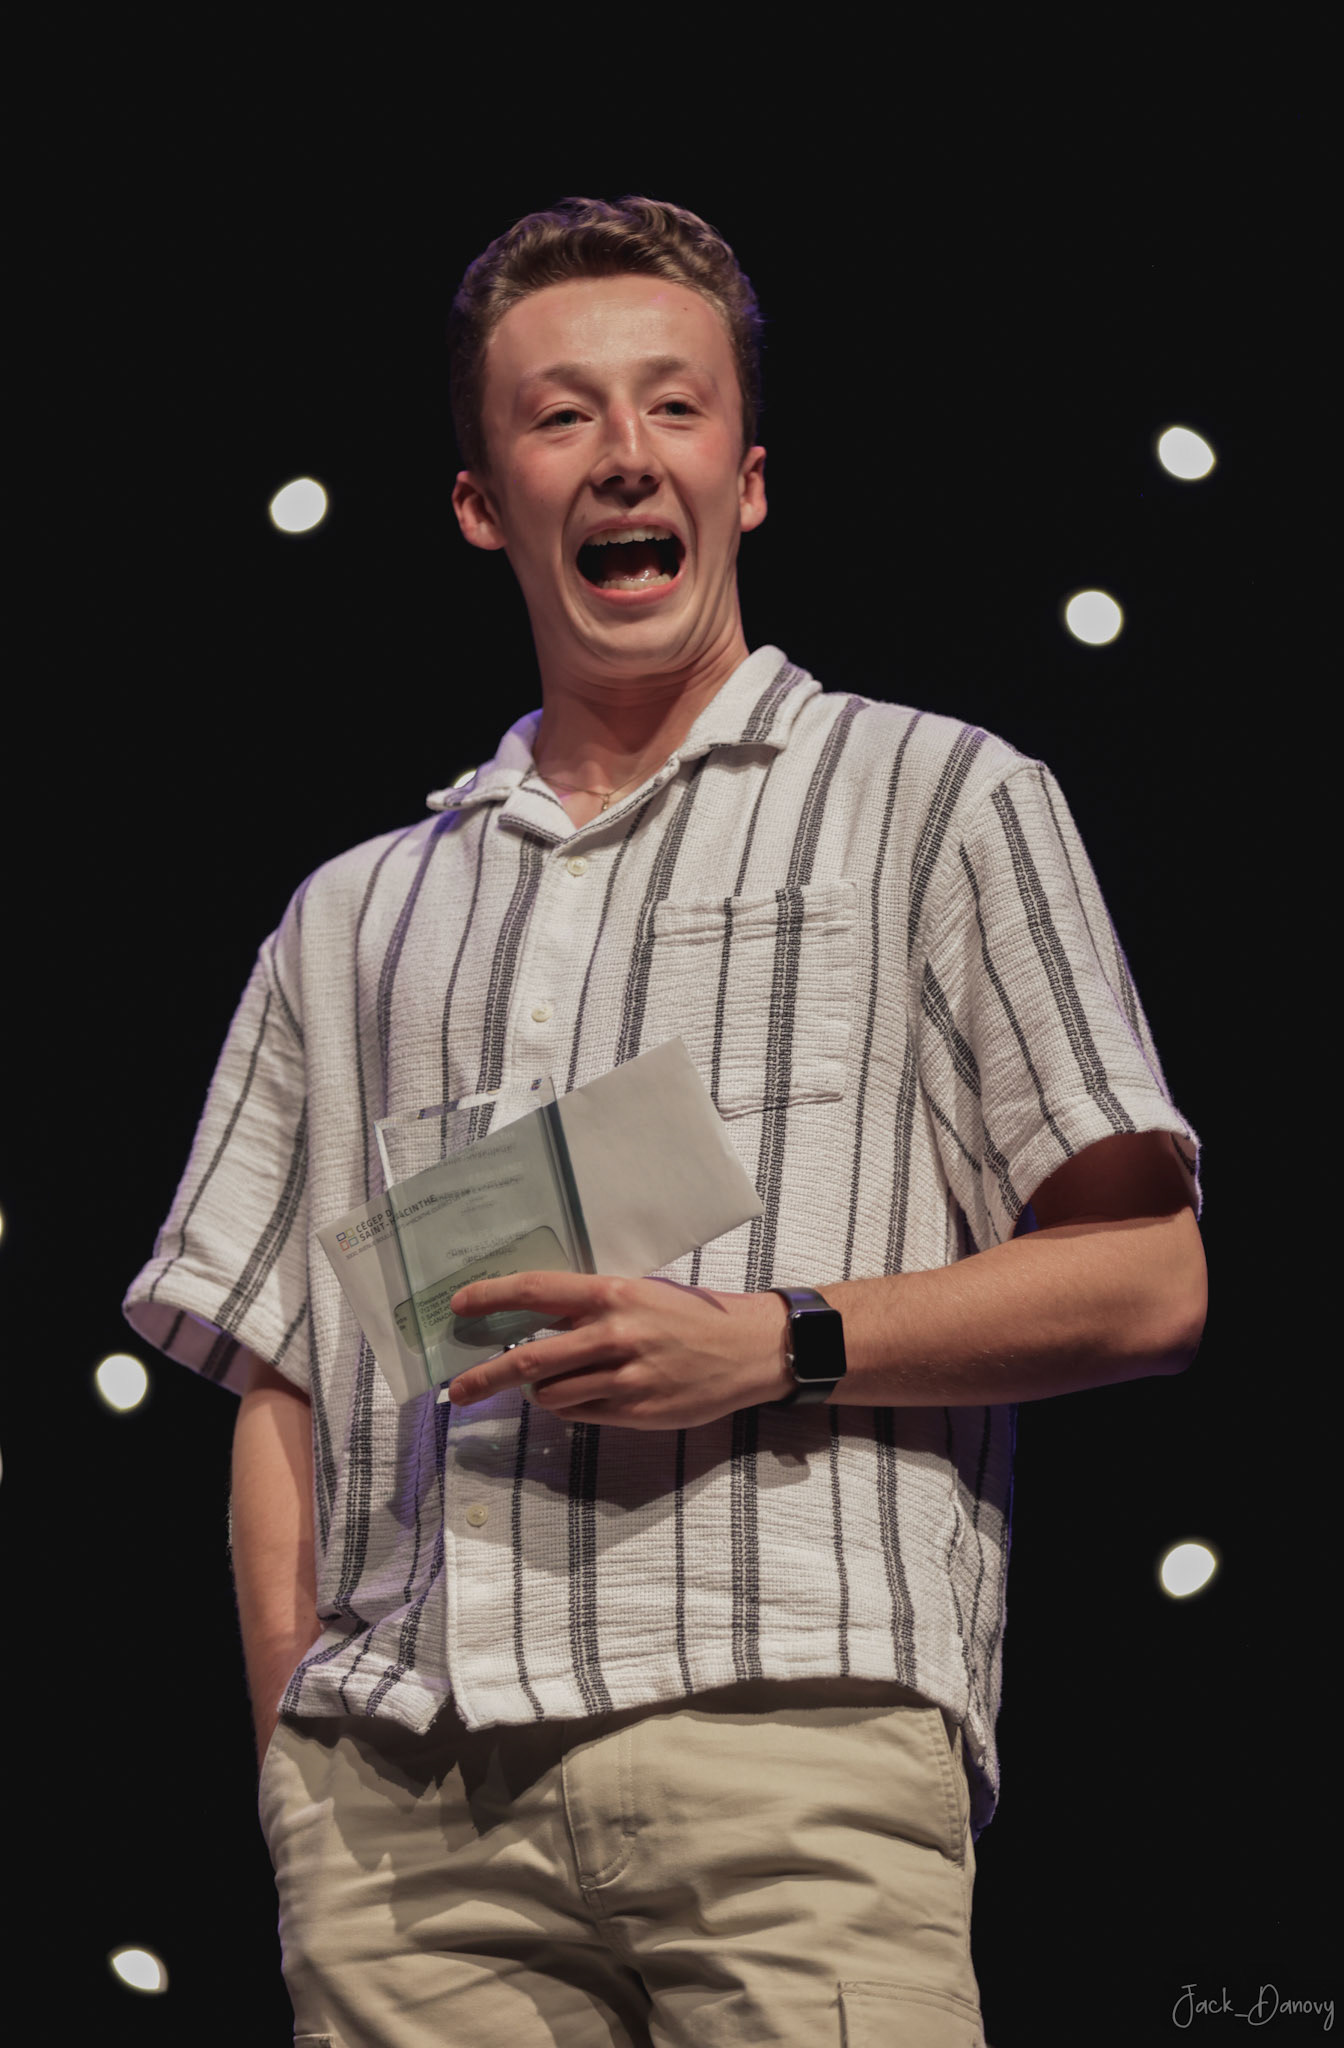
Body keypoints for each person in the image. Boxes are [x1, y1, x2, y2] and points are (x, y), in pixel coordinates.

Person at [123, 196, 1206, 2048]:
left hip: (790, 1740)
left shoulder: (937, 798)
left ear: (746, 478)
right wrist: (297, 1770)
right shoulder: (351, 915)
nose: (624, 452)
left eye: (673, 406)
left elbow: (1150, 1278)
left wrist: (774, 1341)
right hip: (403, 1812)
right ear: (484, 502)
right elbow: (282, 1379)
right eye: (561, 415)